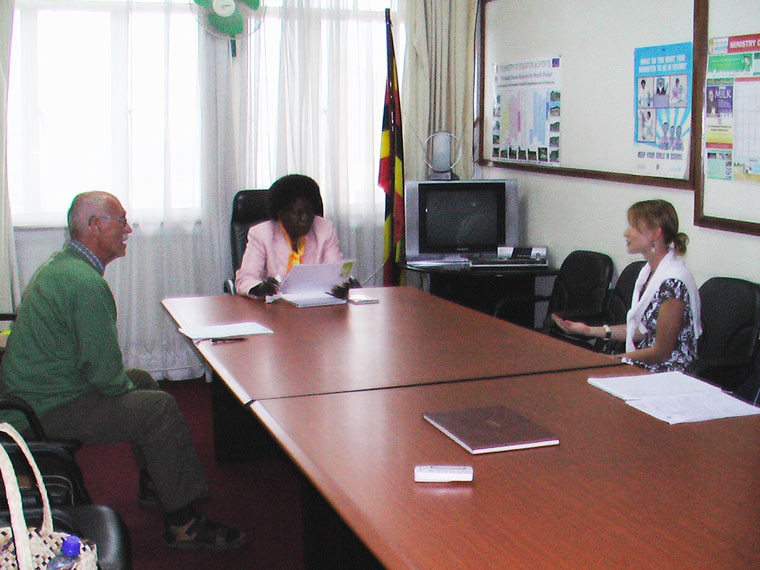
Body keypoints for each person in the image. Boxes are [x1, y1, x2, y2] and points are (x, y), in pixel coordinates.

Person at [0, 191, 246, 551]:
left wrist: (126, 383)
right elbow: (105, 376)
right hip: (40, 411)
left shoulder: (66, 265)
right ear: (95, 225)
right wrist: (123, 385)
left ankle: (158, 482)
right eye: (121, 221)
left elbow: (101, 370)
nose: (128, 228)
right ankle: (183, 522)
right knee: (158, 409)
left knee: (144, 382)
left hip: (39, 394)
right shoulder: (84, 284)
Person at [552, 199, 702, 372]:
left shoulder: (673, 282)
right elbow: (640, 331)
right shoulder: (649, 273)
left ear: (655, 234)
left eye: (634, 227)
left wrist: (613, 360)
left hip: (668, 371)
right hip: (649, 363)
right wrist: (588, 330)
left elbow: (662, 353)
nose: (627, 233)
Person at [235, 174, 346, 297]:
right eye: (297, 213)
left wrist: (340, 285)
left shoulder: (324, 229)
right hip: (273, 310)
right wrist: (260, 288)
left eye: (309, 213)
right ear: (281, 213)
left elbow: (335, 272)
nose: (305, 219)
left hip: (314, 307)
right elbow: (245, 279)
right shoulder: (261, 234)